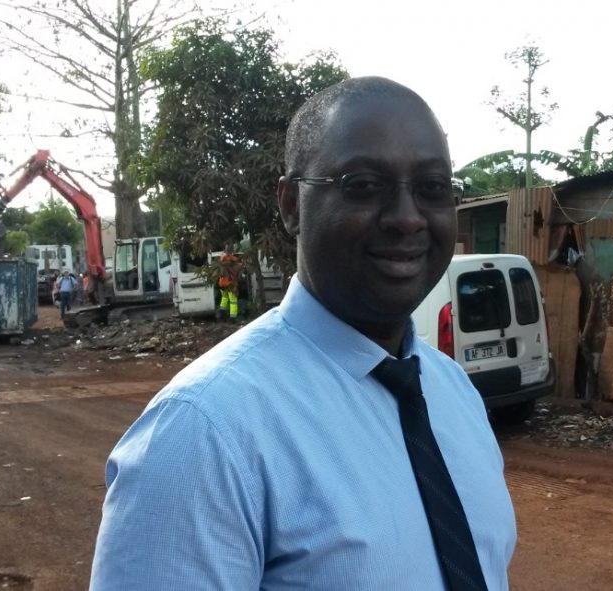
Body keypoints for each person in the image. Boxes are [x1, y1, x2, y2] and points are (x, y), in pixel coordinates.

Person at [91, 77, 516, 590]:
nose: (407, 218)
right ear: (292, 204)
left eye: (433, 189)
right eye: (363, 185)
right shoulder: (202, 433)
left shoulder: (454, 393)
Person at [216, 244, 242, 320]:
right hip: (230, 283)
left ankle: (221, 315)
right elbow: (235, 261)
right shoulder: (229, 258)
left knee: (224, 298)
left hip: (223, 283)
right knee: (233, 300)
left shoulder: (222, 258)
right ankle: (233, 317)